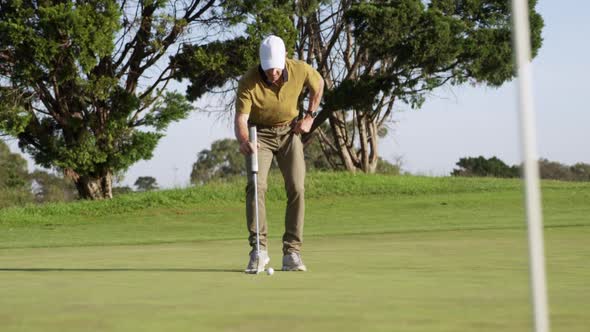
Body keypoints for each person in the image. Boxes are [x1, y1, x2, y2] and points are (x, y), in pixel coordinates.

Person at [234, 35, 324, 273]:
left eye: (276, 68)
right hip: (259, 135)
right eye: (268, 69)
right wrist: (244, 140)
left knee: (297, 187)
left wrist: (309, 117)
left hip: (289, 132)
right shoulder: (248, 81)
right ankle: (259, 250)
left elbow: (319, 85)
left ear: (285, 58)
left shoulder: (300, 69)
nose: (273, 73)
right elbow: (241, 119)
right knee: (256, 185)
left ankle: (291, 252)